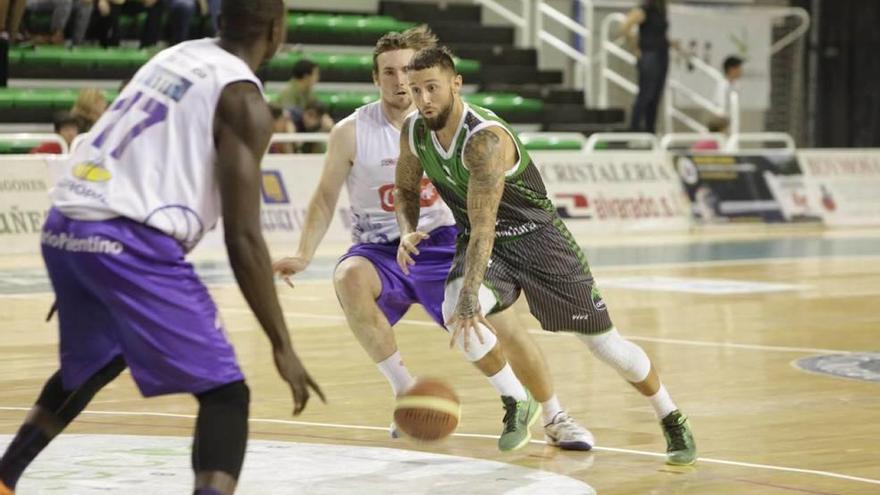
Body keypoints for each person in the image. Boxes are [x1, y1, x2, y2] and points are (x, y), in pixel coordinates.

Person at [0, 1, 323, 494]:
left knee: (96, 359)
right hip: (126, 239)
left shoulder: (174, 56)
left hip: (69, 219)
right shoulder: (242, 99)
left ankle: (4, 477)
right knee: (225, 394)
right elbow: (243, 237)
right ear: (277, 30)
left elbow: (109, 140)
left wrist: (83, 261)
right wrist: (282, 344)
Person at [273, 27, 592, 452]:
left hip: (442, 240)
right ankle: (407, 395)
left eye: (407, 70)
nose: (399, 80)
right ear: (375, 79)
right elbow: (325, 196)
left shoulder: (445, 124)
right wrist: (302, 253)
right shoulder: (351, 131)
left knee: (502, 329)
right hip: (380, 248)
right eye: (388, 72)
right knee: (348, 277)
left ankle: (554, 414)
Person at [396, 46, 697, 465]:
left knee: (606, 346)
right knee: (458, 315)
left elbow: (486, 223)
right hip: (488, 244)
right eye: (414, 90)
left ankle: (670, 415)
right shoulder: (414, 131)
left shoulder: (483, 140)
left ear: (455, 84)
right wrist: (407, 230)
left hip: (538, 239)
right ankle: (517, 400)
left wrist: (469, 297)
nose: (424, 99)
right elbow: (407, 190)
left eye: (432, 88)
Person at [620, 0, 671, 133]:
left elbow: (659, 34)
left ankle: (650, 130)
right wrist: (635, 47)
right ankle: (634, 129)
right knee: (646, 94)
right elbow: (625, 27)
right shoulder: (645, 8)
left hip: (662, 54)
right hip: (649, 55)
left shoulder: (661, 10)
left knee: (655, 96)